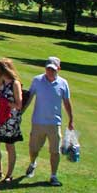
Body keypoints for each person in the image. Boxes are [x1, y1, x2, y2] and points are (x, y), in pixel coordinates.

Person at [24, 56, 74, 186]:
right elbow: (29, 98)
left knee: (55, 151)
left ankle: (53, 175)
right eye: (48, 69)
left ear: (59, 68)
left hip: (54, 123)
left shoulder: (63, 83)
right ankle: (33, 163)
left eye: (53, 69)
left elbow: (67, 102)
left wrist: (71, 120)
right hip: (38, 122)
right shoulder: (37, 80)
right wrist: (20, 113)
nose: (50, 72)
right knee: (33, 149)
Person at [0, 58, 24, 181]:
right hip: (1, 116)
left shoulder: (15, 84)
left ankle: (9, 174)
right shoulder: (2, 81)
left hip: (11, 118)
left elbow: (19, 104)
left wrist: (7, 103)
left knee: (9, 146)